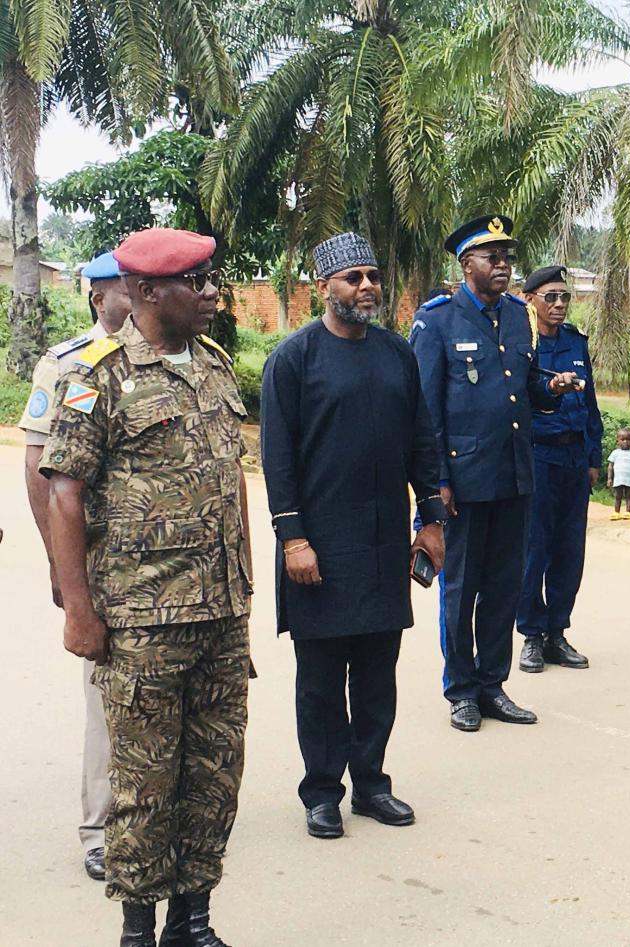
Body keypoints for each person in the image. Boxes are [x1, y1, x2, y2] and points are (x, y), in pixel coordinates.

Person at [40, 228, 253, 947]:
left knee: (214, 776)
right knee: (144, 788)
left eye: (210, 278)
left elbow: (231, 479)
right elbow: (65, 493)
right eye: (196, 281)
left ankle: (193, 922)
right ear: (147, 291)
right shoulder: (97, 376)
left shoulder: (215, 365)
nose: (211, 292)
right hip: (143, 623)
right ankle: (138, 931)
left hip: (220, 616)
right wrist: (79, 611)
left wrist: (244, 586)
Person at [260, 232, 448, 840]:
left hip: (383, 545)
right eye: (353, 278)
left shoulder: (397, 354)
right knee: (319, 683)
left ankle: (370, 784)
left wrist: (431, 521)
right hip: (319, 547)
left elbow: (422, 443)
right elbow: (277, 460)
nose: (367, 286)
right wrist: (293, 539)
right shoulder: (294, 359)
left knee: (375, 676)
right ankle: (321, 792)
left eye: (372, 276)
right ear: (324, 287)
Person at [410, 214, 580, 733]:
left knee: (504, 587)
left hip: (513, 475)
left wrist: (550, 389)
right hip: (463, 481)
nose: (503, 265)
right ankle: (461, 690)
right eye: (493, 257)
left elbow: (522, 386)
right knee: (461, 590)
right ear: (467, 264)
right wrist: (437, 484)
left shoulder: (516, 316)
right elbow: (425, 412)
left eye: (507, 257)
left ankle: (492, 684)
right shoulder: (437, 321)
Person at [17, 250, 131, 883]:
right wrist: (61, 567)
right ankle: (100, 829)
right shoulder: (69, 365)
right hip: (99, 559)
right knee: (105, 697)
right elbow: (41, 471)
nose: (138, 297)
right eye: (127, 288)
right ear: (99, 297)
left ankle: (156, 818)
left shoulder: (168, 358)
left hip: (157, 563)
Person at [517, 264, 602, 674]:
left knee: (570, 551)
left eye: (564, 296)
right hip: (538, 456)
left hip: (573, 457)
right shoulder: (521, 343)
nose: (559, 304)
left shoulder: (575, 341)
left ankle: (557, 632)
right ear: (529, 299)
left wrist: (593, 457)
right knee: (534, 550)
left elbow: (591, 405)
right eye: (550, 297)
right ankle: (532, 634)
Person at [607, 428, 630, 520]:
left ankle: (628, 512)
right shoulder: (615, 453)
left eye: (628, 439)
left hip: (629, 479)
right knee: (618, 496)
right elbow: (610, 466)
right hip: (618, 479)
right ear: (617, 441)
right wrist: (609, 478)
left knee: (628, 496)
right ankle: (616, 512)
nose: (625, 442)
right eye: (622, 439)